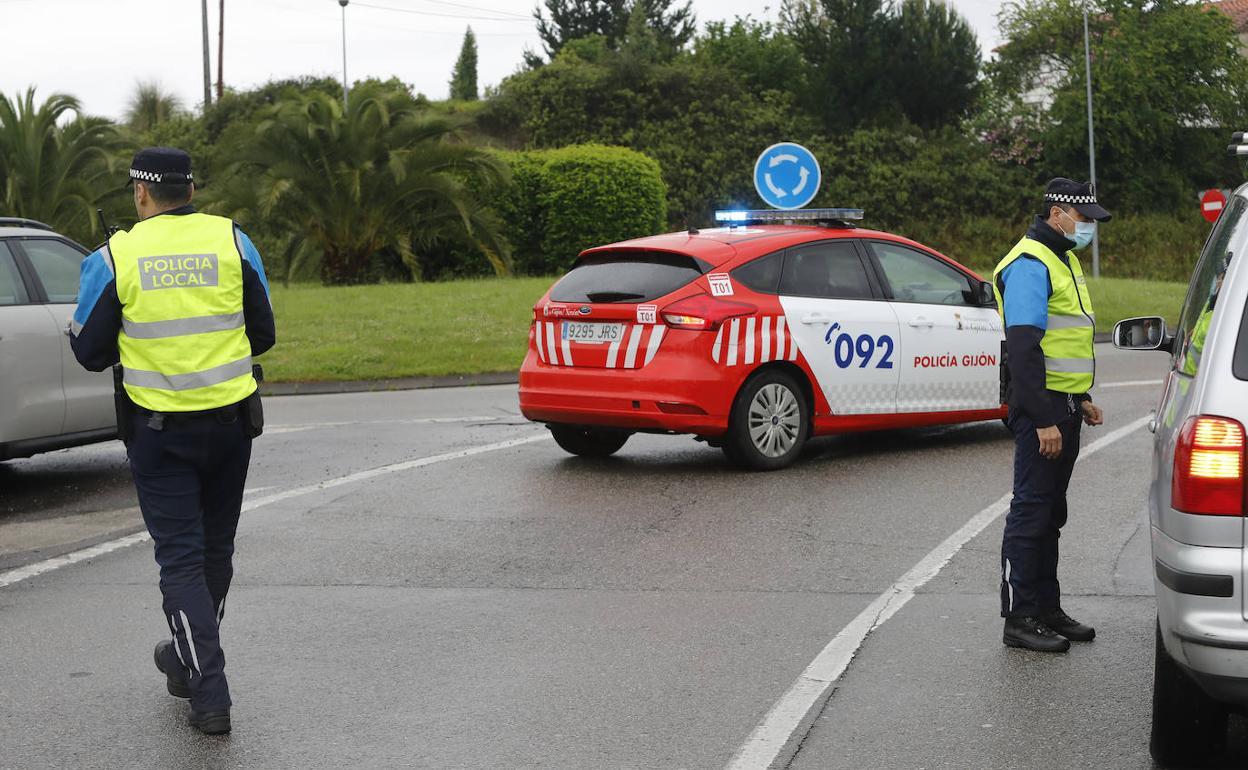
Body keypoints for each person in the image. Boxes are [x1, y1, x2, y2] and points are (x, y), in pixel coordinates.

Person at [70, 147, 275, 733]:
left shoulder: (118, 254)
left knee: (181, 560)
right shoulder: (234, 241)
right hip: (232, 426)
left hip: (159, 433)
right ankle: (187, 663)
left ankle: (211, 693)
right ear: (190, 190)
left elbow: (88, 352)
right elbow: (263, 333)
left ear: (141, 194)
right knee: (215, 552)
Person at [991, 178, 1108, 653]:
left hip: (1063, 404)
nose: (1088, 228)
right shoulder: (1029, 264)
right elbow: (1022, 350)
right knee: (1031, 512)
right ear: (1058, 213)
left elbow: (1062, 342)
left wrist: (1079, 398)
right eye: (1084, 219)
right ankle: (1019, 618)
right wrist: (1043, 419)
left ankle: (1046, 608)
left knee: (1050, 513)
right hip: (1040, 411)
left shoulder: (1062, 257)